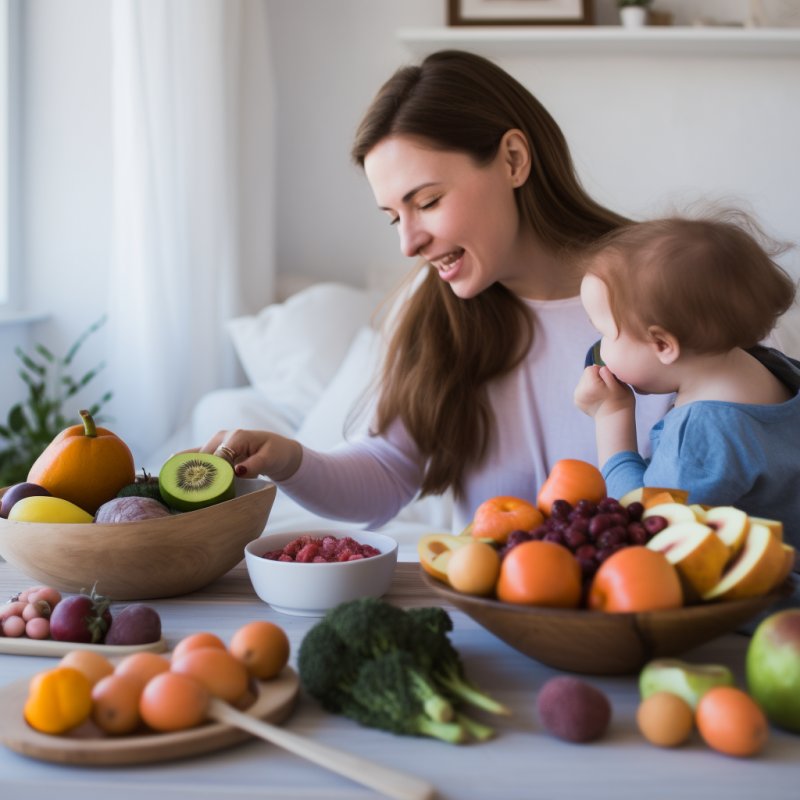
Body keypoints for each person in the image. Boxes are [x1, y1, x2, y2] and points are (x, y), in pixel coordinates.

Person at [201, 50, 673, 533]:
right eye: (393, 217)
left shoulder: (670, 287)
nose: (408, 244)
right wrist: (287, 460)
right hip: (493, 584)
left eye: (427, 202)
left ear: (513, 160)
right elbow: (386, 471)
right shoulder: (436, 310)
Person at [574, 210, 800, 546]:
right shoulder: (774, 368)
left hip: (770, 580)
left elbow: (650, 528)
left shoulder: (703, 432)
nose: (600, 346)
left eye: (605, 332)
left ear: (663, 345)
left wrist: (612, 417)